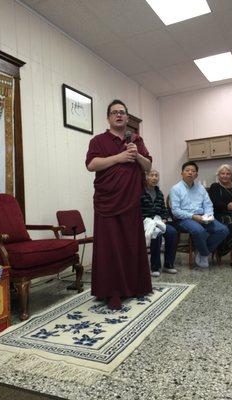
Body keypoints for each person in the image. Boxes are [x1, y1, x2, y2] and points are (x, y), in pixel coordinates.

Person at [86, 99, 152, 310]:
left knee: (130, 245)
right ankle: (111, 291)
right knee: (110, 248)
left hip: (130, 201)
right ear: (108, 117)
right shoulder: (98, 140)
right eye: (114, 112)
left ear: (127, 117)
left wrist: (136, 154)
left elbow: (149, 165)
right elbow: (91, 164)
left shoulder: (136, 139)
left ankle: (134, 286)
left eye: (122, 112)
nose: (119, 115)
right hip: (108, 202)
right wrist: (120, 157)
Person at [169, 161, 229, 268]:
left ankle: (201, 252)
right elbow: (176, 211)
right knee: (199, 231)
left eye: (193, 171)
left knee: (223, 230)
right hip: (185, 218)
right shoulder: (176, 189)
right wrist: (193, 217)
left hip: (202, 216)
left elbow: (208, 204)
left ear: (196, 174)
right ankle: (205, 253)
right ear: (182, 173)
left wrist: (209, 215)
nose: (190, 173)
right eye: (187, 171)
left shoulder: (200, 188)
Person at [141, 169, 178, 277]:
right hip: (145, 221)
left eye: (156, 175)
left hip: (159, 220)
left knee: (172, 232)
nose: (154, 178)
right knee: (155, 234)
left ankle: (168, 264)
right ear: (146, 177)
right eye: (151, 175)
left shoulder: (159, 192)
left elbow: (164, 209)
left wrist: (165, 218)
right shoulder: (140, 192)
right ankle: (155, 267)